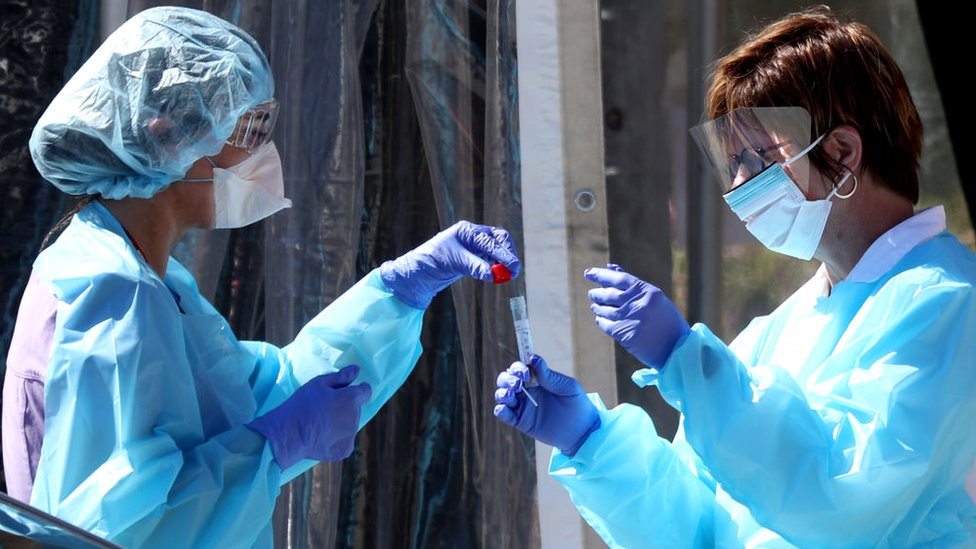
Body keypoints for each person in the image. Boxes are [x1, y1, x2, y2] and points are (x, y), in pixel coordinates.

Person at [0, 7, 521, 547]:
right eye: (248, 127)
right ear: (167, 135)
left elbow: (259, 396)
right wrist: (271, 446)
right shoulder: (113, 292)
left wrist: (401, 289)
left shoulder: (149, 281)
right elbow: (116, 528)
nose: (260, 153)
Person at [494, 6, 976, 548]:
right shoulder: (781, 329)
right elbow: (698, 530)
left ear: (842, 151)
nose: (742, 183)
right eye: (733, 162)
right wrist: (590, 442)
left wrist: (687, 360)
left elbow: (840, 498)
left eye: (760, 157)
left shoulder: (947, 300)